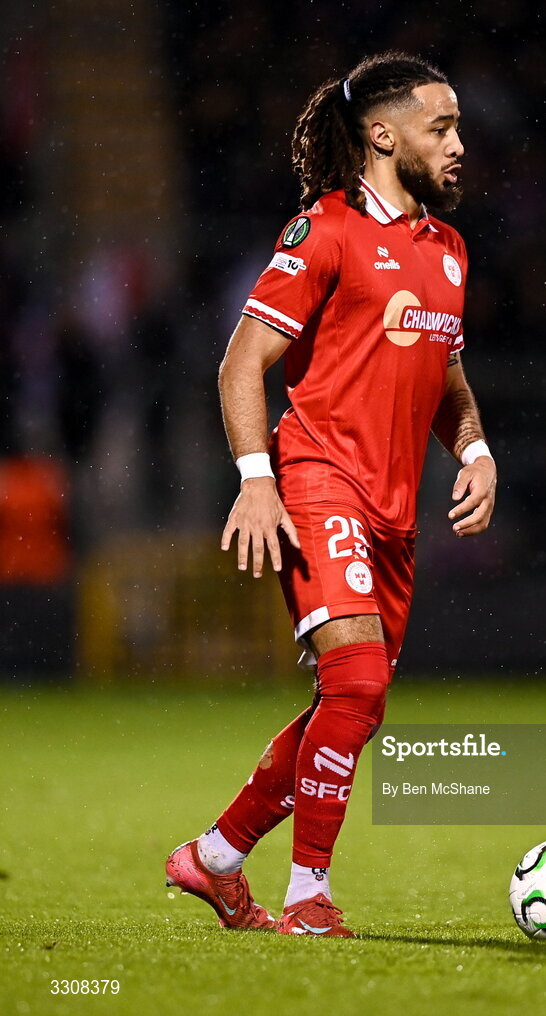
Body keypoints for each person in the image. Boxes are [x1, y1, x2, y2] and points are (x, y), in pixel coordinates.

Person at [165, 52, 496, 938]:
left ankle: (214, 858)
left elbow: (446, 380)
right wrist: (256, 482)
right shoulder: (325, 231)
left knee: (353, 706)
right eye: (440, 128)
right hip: (319, 478)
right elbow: (242, 361)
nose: (458, 145)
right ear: (382, 135)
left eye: (458, 127)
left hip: (395, 511)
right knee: (355, 685)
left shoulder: (449, 251)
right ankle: (309, 897)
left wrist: (475, 449)